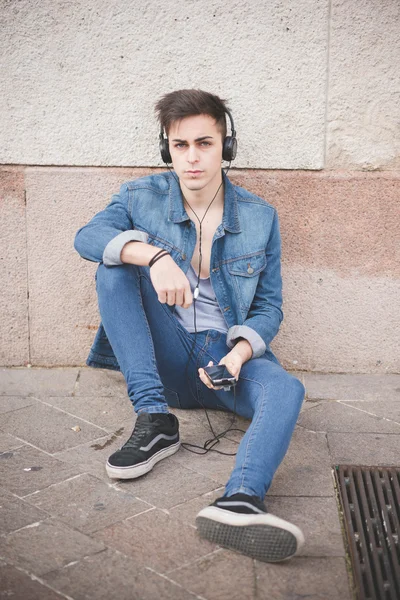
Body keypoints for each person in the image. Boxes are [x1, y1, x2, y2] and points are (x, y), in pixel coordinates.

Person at [74, 89, 306, 563]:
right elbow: (88, 237)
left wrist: (238, 355)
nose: (193, 157)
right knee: (113, 262)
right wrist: (154, 255)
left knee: (286, 390)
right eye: (180, 146)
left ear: (228, 146)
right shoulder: (141, 196)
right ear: (167, 149)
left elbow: (269, 307)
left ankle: (240, 500)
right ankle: (155, 418)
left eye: (205, 143)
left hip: (222, 362)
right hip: (160, 357)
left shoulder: (260, 217)